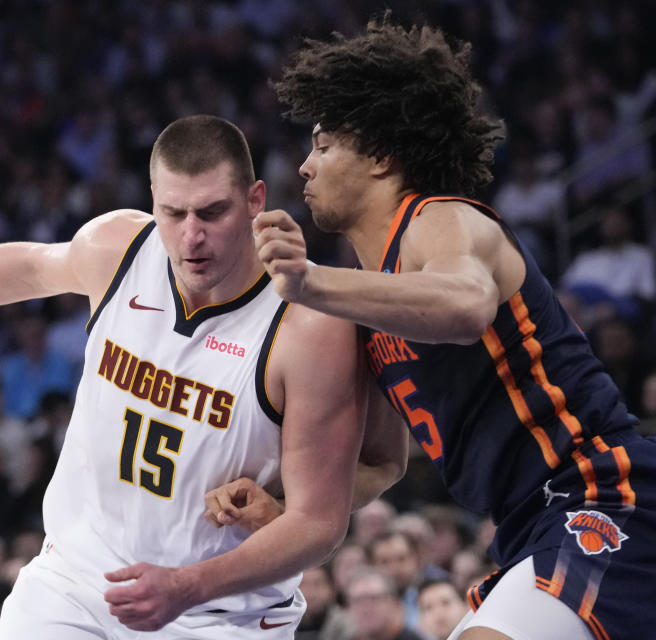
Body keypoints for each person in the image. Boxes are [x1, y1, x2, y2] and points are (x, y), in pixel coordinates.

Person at [0, 115, 407, 638]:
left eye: (212, 212)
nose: (191, 236)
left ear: (254, 200)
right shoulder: (121, 246)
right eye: (173, 212)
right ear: (152, 201)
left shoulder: (308, 326)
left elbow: (318, 523)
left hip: (222, 611)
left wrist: (187, 586)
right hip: (75, 577)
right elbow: (27, 266)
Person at [208, 17, 656, 640]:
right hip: (525, 527)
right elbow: (381, 465)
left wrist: (308, 282)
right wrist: (281, 501)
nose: (304, 167)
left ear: (382, 156)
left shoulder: (441, 219)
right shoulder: (367, 301)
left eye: (323, 145)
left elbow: (468, 303)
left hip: (600, 492)